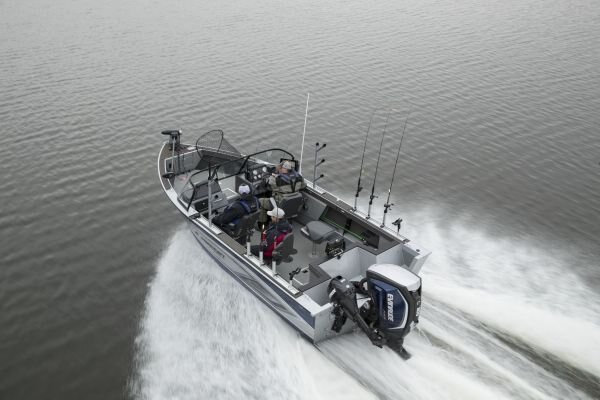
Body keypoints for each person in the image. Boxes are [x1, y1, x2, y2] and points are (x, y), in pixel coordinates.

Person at [258, 160, 306, 224]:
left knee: (260, 202)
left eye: (280, 168)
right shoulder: (299, 177)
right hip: (293, 203)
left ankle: (262, 223)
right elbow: (303, 186)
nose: (279, 169)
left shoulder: (276, 179)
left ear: (284, 168)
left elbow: (267, 185)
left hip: (279, 204)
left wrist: (270, 176)